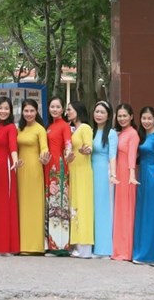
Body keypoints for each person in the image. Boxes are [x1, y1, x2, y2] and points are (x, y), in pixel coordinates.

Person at [132, 106, 154, 265]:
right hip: (141, 175)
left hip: (153, 175)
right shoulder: (141, 135)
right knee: (141, 213)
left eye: (149, 118)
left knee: (152, 213)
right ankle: (140, 252)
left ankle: (153, 255)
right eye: (144, 118)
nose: (146, 121)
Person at [0, 96, 20, 255]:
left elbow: (13, 146)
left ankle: (6, 246)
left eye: (6, 108)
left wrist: (15, 161)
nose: (3, 111)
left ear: (10, 111)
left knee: (5, 205)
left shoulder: (10, 127)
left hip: (6, 167)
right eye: (0, 108)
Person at [16, 98, 49, 255]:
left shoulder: (40, 129)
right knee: (21, 205)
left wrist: (44, 156)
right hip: (20, 171)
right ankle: (21, 244)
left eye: (32, 111)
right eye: (26, 111)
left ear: (37, 112)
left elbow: (44, 148)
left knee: (34, 206)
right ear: (22, 112)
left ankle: (35, 246)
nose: (29, 114)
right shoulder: (19, 129)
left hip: (34, 169)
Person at [90, 101, 118, 258]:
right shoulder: (91, 131)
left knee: (103, 209)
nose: (99, 115)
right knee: (93, 208)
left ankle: (104, 249)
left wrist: (113, 175)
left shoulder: (111, 134)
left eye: (102, 112)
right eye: (97, 111)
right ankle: (92, 245)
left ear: (108, 116)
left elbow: (113, 156)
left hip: (104, 172)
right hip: (91, 172)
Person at [44, 97, 72, 254]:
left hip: (59, 167)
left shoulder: (64, 126)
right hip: (49, 167)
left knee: (60, 204)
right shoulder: (50, 126)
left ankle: (61, 245)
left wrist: (68, 154)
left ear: (62, 110)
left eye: (57, 107)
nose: (54, 109)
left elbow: (68, 143)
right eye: (52, 107)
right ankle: (52, 243)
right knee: (52, 205)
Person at [67, 101, 94, 258]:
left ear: (78, 111)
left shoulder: (85, 128)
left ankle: (85, 247)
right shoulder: (72, 129)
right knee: (75, 206)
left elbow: (88, 146)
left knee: (83, 206)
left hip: (83, 171)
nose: (68, 112)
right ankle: (76, 244)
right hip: (74, 170)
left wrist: (86, 150)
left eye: (70, 110)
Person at [111, 103, 138, 262]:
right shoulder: (120, 133)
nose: (122, 119)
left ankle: (125, 251)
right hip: (119, 173)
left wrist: (131, 175)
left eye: (125, 116)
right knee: (120, 211)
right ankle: (118, 248)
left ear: (131, 116)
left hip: (127, 174)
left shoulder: (133, 134)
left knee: (126, 211)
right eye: (119, 116)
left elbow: (132, 156)